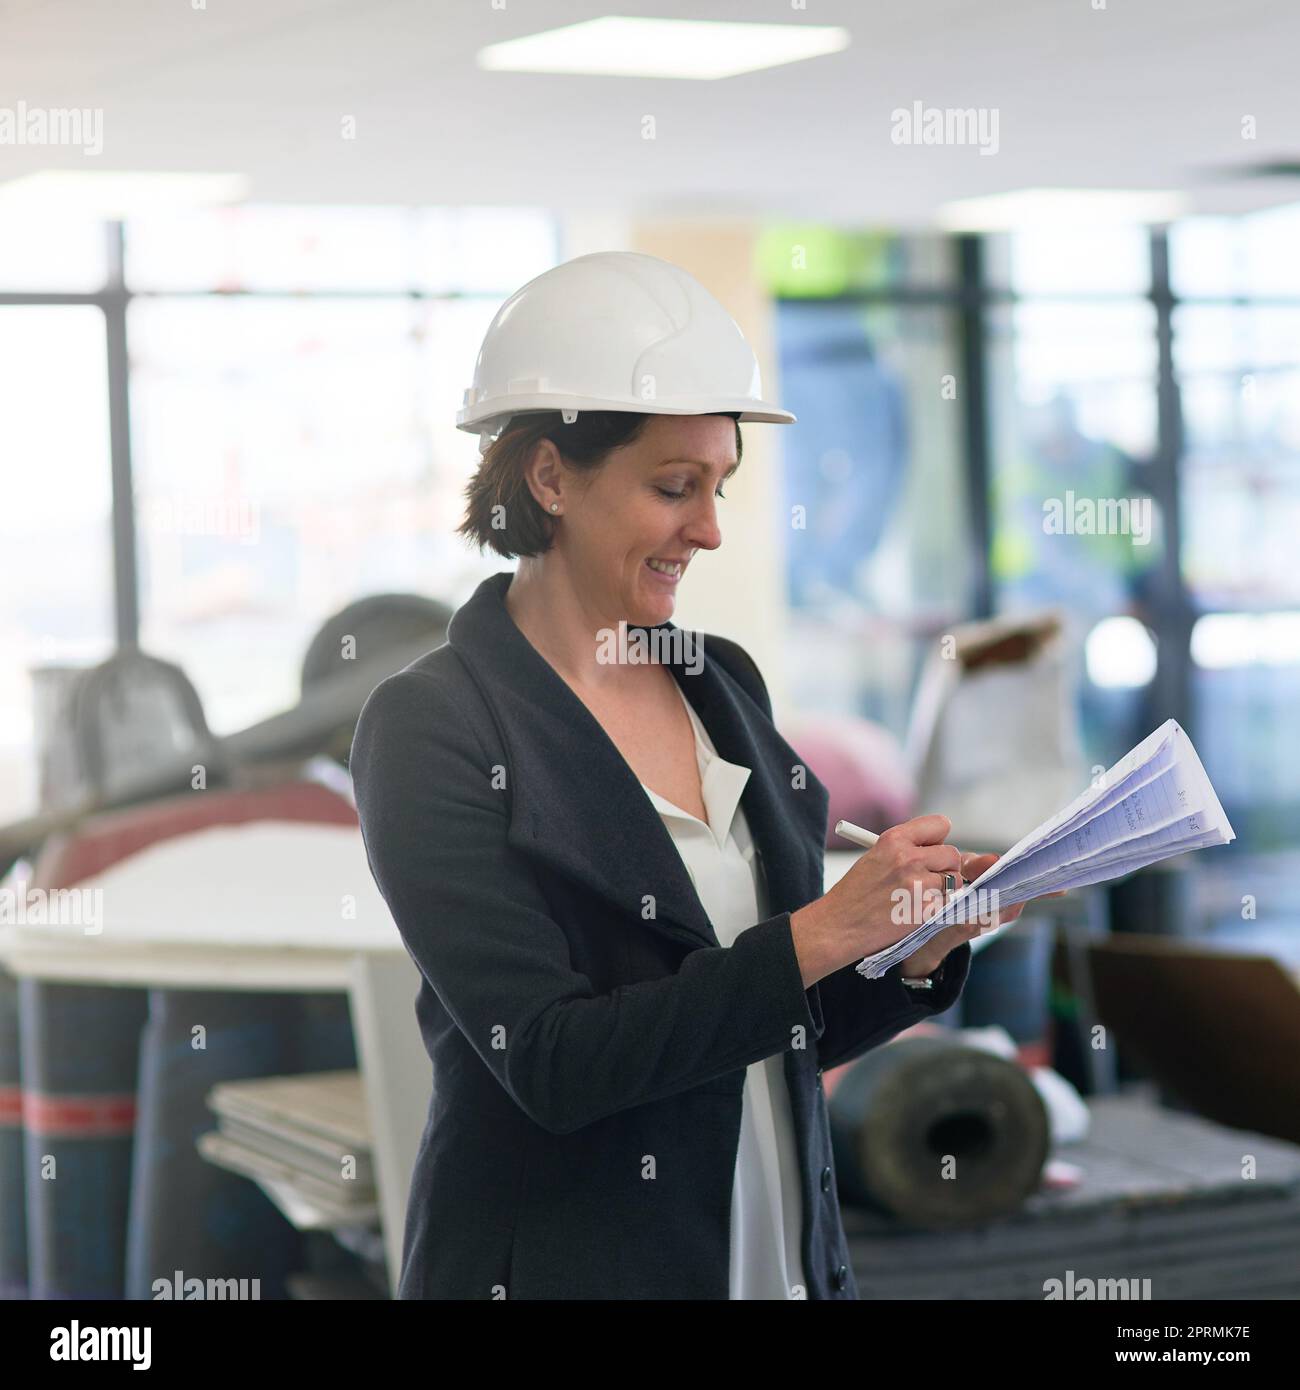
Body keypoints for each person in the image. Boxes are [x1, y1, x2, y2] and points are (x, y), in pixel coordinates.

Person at [349, 251, 1034, 1300]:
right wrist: (820, 932)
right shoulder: (433, 727)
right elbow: (550, 1061)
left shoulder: (721, 683)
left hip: (775, 1261)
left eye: (718, 486)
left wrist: (906, 948)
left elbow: (778, 1021)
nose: (708, 529)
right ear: (547, 478)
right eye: (673, 487)